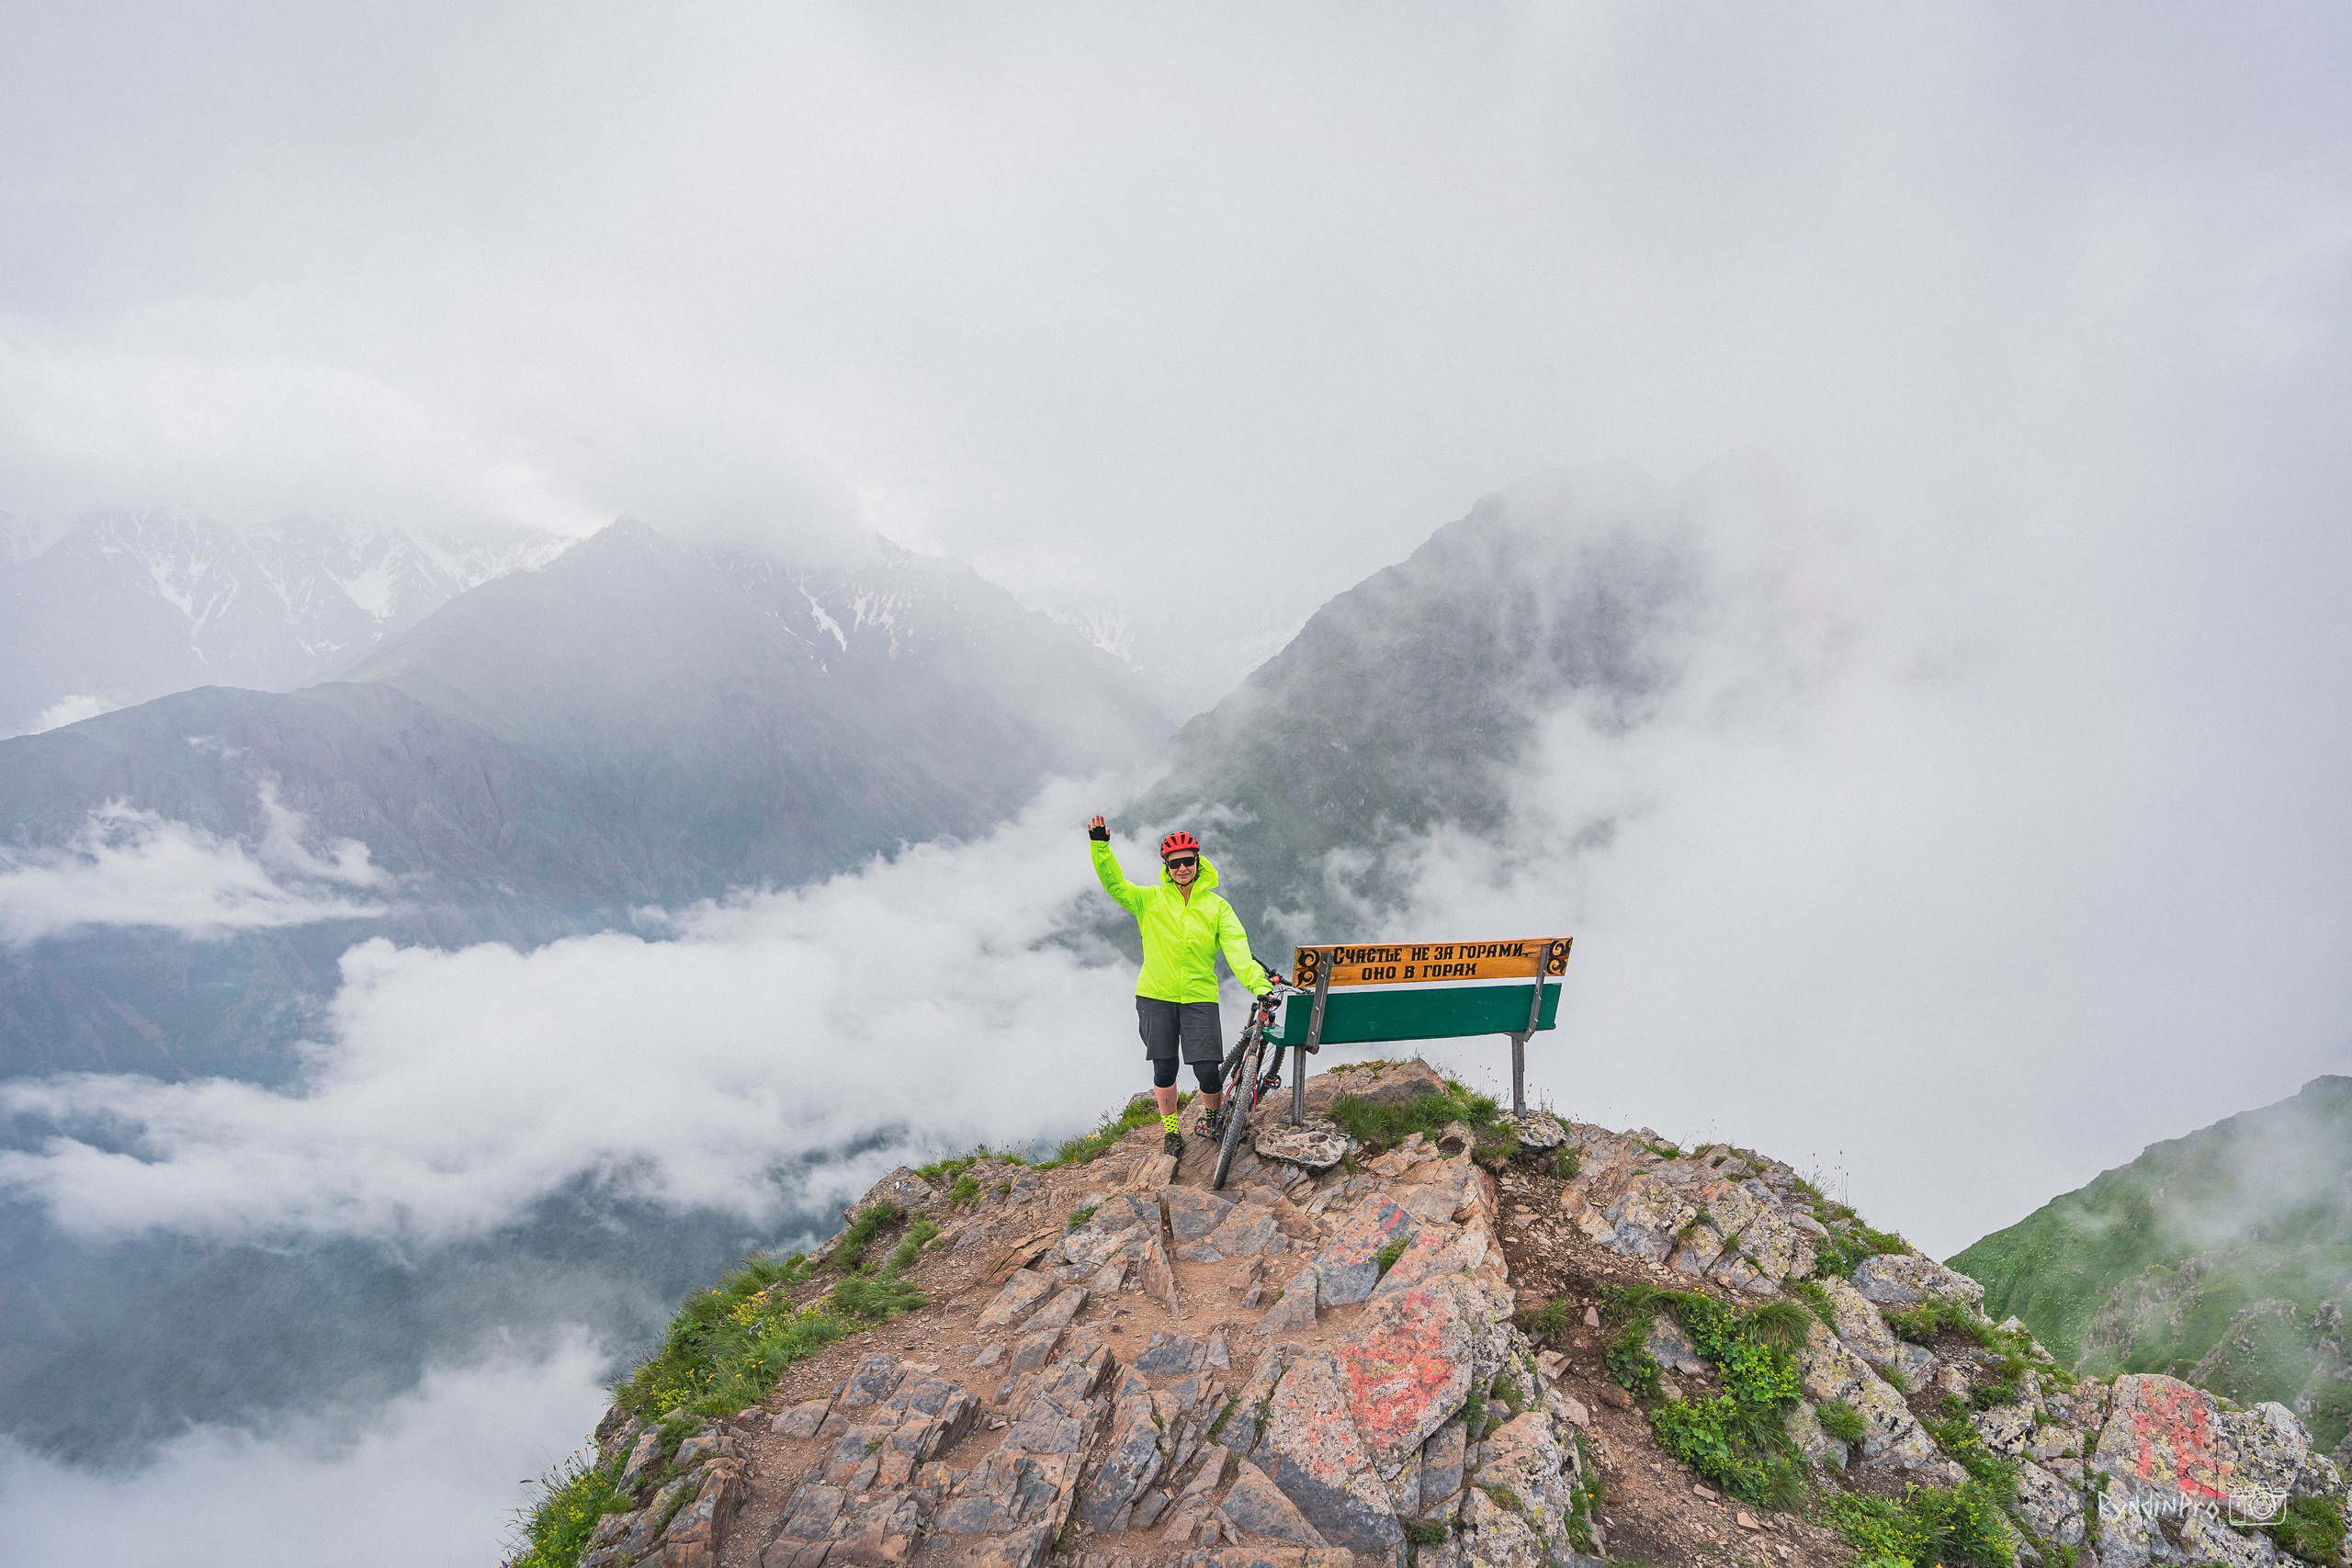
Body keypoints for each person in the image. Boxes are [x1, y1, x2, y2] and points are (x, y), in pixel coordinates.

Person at [1087, 814, 1272, 1157]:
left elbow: (1237, 950)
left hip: (1199, 996)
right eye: (1175, 863)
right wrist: (1101, 847)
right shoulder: (1149, 899)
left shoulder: (1217, 907)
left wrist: (1258, 985)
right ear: (1167, 868)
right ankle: (1171, 1132)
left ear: (1198, 862)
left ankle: (1213, 1120)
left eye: (1188, 861)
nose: (1182, 868)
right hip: (1155, 995)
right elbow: (1115, 884)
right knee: (1164, 1068)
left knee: (1208, 1072)